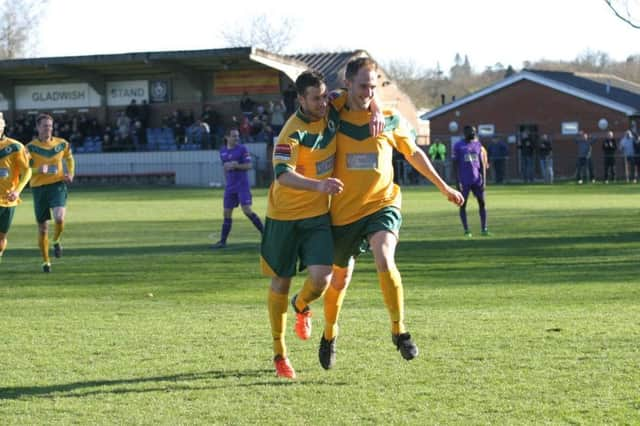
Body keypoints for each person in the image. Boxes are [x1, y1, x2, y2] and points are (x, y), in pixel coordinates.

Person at [318, 58, 464, 370]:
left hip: (381, 202)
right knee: (339, 281)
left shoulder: (389, 117)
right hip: (343, 213)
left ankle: (399, 331)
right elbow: (308, 109)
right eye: (362, 86)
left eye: (373, 86)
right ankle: (329, 333)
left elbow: (413, 153)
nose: (368, 92)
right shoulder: (333, 111)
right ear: (347, 82)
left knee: (385, 256)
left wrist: (443, 187)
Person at [261, 70, 383, 379]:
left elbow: (365, 95)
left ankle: (301, 305)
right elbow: (282, 175)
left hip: (316, 217)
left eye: (324, 96)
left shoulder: (332, 109)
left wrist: (378, 108)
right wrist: (319, 186)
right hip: (284, 218)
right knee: (281, 281)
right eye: (315, 98)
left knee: (322, 279)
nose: (322, 103)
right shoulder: (291, 133)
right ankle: (280, 354)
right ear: (300, 99)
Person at [26, 113, 75, 273]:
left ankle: (56, 240)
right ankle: (46, 261)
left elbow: (69, 158)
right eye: (45, 126)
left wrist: (71, 173)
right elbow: (23, 170)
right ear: (38, 127)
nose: (48, 129)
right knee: (43, 228)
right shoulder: (30, 148)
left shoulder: (61, 144)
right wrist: (37, 170)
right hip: (38, 189)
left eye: (50, 126)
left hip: (57, 185)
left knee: (60, 218)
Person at [211, 128, 263, 249]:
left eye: (237, 136)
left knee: (247, 210)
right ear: (227, 137)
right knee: (226, 213)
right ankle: (222, 241)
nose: (236, 138)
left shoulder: (242, 149)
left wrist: (237, 165)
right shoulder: (222, 151)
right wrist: (227, 181)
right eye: (234, 136)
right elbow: (224, 167)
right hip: (230, 187)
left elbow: (249, 165)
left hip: (242, 185)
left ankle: (265, 234)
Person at [0, 112, 32, 263]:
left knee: (1, 239)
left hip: (7, 200)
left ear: (3, 126)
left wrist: (17, 190)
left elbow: (27, 171)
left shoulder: (15, 147)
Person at [452, 125, 489, 238]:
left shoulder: (478, 145)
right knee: (463, 205)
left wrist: (484, 180)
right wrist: (457, 181)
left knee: (482, 203)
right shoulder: (458, 146)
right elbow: (455, 164)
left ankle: (484, 229)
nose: (473, 133)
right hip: (464, 180)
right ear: (465, 133)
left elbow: (482, 163)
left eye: (474, 131)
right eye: (470, 131)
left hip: (477, 179)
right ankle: (466, 230)